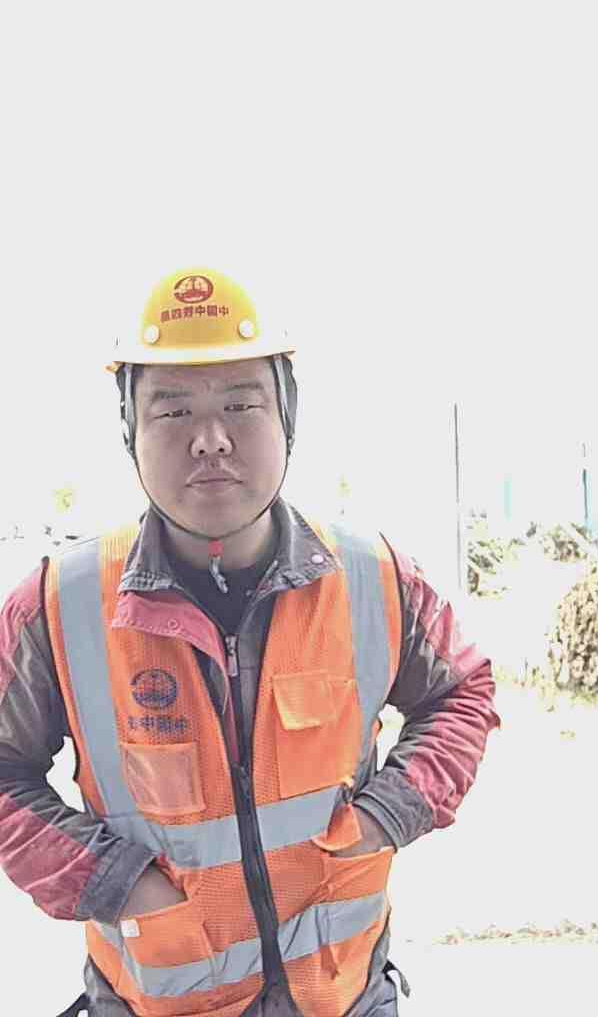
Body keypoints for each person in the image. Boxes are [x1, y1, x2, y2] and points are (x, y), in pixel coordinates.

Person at [0, 268, 500, 1017]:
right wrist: (110, 879)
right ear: (131, 430)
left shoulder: (373, 575)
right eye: (173, 410)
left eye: (241, 403)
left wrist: (389, 812)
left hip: (346, 996)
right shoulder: (59, 605)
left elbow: (463, 693)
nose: (211, 439)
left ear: (287, 417)